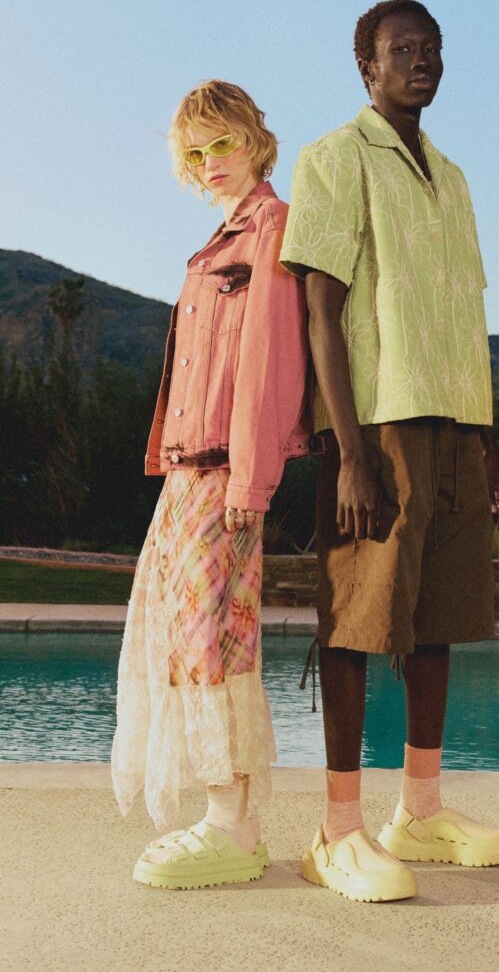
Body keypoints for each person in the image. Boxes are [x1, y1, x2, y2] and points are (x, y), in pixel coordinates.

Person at [280, 0, 499, 903]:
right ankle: (337, 830)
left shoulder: (451, 178)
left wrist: (485, 439)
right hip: (379, 423)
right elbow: (320, 312)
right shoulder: (334, 158)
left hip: (454, 420)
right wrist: (348, 450)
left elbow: (465, 314)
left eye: (433, 48)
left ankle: (418, 812)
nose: (423, 61)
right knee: (356, 618)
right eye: (403, 49)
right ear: (367, 67)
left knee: (437, 618)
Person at [111, 79, 311, 890]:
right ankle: (228, 818)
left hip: (227, 469)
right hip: (186, 469)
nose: (209, 162)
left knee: (213, 641)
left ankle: (233, 826)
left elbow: (270, 363)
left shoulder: (271, 229)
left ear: (254, 139)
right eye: (194, 153)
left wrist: (251, 485)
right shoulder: (215, 244)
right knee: (180, 637)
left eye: (222, 143)